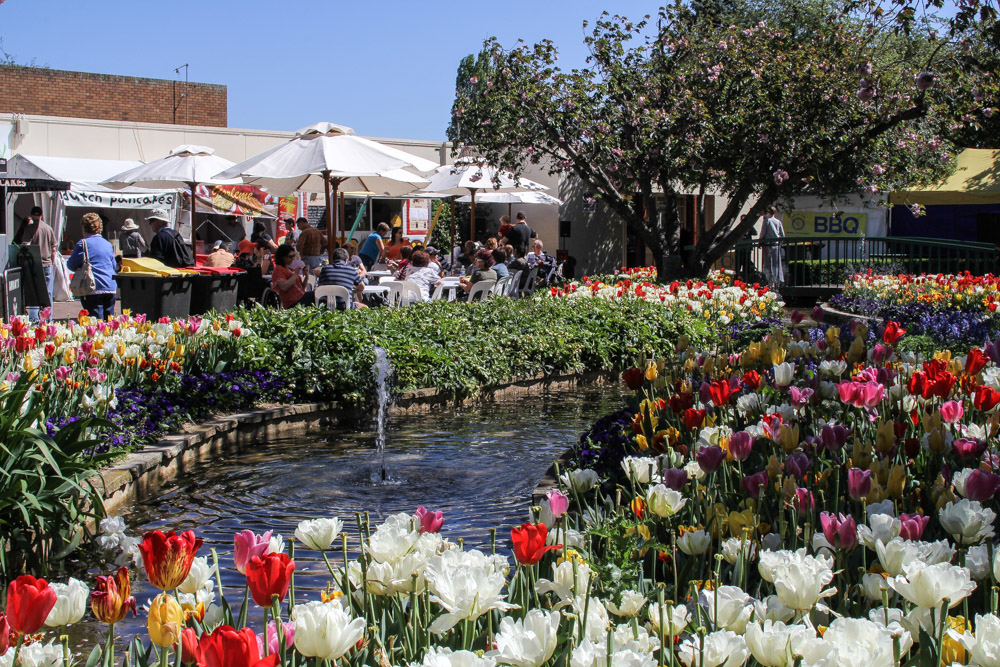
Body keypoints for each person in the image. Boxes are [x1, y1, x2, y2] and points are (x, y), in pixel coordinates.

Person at [67, 212, 118, 319]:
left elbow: (71, 264)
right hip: (110, 286)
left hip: (92, 287)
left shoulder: (83, 243)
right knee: (109, 324)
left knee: (95, 324)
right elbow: (114, 266)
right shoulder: (108, 244)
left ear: (84, 228)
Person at [15, 206, 57, 307]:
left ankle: (36, 318)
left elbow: (26, 245)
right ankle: (48, 317)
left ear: (32, 215)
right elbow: (54, 249)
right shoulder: (49, 228)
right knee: (48, 293)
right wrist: (52, 262)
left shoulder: (29, 229)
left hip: (35, 264)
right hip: (48, 264)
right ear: (42, 215)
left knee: (35, 292)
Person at [759, 205, 785, 287]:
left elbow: (763, 233)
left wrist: (760, 241)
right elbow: (782, 234)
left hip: (768, 245)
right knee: (776, 263)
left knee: (768, 263)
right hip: (776, 244)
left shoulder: (767, 221)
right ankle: (778, 281)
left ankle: (769, 281)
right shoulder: (778, 222)